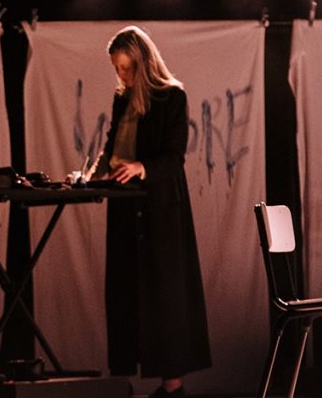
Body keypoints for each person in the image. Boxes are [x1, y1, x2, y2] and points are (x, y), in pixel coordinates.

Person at [94, 26, 211, 398]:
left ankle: (172, 386)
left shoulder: (172, 96)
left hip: (159, 209)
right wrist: (91, 174)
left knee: (164, 295)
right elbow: (112, 145)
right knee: (124, 291)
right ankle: (125, 380)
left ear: (143, 63)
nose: (122, 75)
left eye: (126, 68)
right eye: (117, 69)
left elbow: (174, 157)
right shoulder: (122, 99)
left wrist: (142, 167)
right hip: (125, 203)